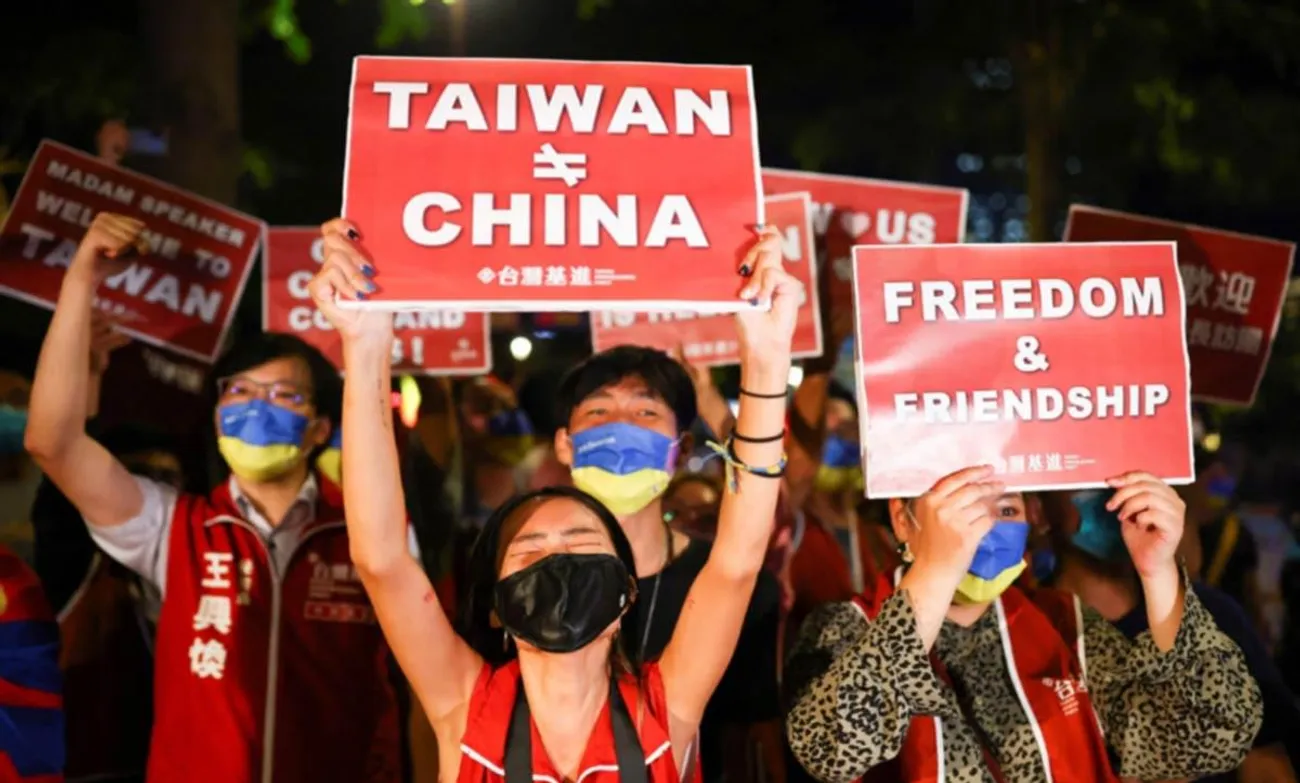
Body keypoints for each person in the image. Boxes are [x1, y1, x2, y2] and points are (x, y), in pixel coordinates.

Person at [309, 216, 800, 782]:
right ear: (497, 603)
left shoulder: (667, 711)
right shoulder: (464, 709)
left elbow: (737, 563)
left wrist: (766, 359)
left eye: (581, 543)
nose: (557, 556)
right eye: (530, 549)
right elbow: (381, 559)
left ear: (626, 594)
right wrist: (366, 346)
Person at [23, 212, 405, 783]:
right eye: (240, 391)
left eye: (283, 394)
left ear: (321, 428)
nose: (256, 406)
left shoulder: (365, 538)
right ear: (217, 413)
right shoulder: (173, 528)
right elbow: (52, 443)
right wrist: (81, 280)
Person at [785, 467, 1263, 782]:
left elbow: (1204, 741)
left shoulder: (1063, 623)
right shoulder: (845, 627)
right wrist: (935, 572)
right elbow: (832, 748)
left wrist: (1158, 574)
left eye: (1007, 509)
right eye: (963, 507)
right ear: (903, 518)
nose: (986, 527)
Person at [552, 344, 786, 783]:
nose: (622, 425)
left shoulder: (734, 587)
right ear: (564, 444)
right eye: (599, 411)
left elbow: (754, 732)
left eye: (646, 412)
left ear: (682, 447)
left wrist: (764, 362)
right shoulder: (523, 584)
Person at [1045, 488, 1299, 782]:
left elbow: (1267, 760)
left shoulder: (1211, 613)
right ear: (1039, 512)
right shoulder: (1026, 633)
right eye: (1087, 487)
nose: (1111, 501)